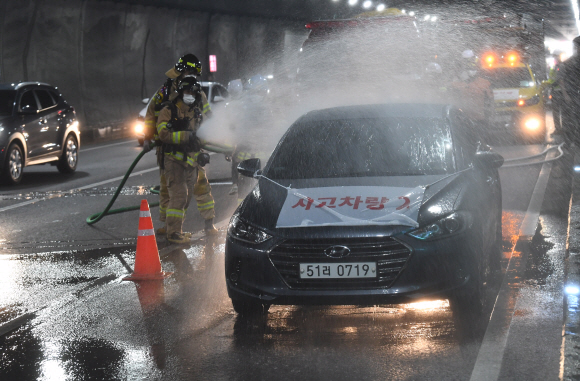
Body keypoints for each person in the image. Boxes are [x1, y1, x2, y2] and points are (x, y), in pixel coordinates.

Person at [143, 54, 213, 236]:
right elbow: (151, 113)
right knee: (169, 188)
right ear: (185, 71)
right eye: (192, 73)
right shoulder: (165, 92)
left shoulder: (197, 93)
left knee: (200, 185)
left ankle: (208, 222)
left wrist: (204, 137)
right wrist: (149, 136)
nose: (194, 78)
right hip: (169, 149)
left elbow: (208, 117)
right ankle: (169, 228)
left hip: (192, 149)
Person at [156, 76, 217, 244]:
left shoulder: (196, 112)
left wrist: (202, 149)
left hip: (191, 161)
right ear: (181, 92)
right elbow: (163, 133)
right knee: (179, 195)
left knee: (187, 197)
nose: (190, 94)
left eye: (192, 92)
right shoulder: (169, 110)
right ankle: (173, 233)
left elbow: (202, 135)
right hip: (174, 161)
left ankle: (176, 230)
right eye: (187, 91)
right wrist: (186, 136)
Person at [558, 36, 580, 144]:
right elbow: (561, 80)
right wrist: (566, 95)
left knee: (571, 120)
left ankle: (572, 141)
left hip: (572, 95)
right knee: (571, 119)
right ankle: (572, 141)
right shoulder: (568, 63)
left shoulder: (568, 63)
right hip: (572, 95)